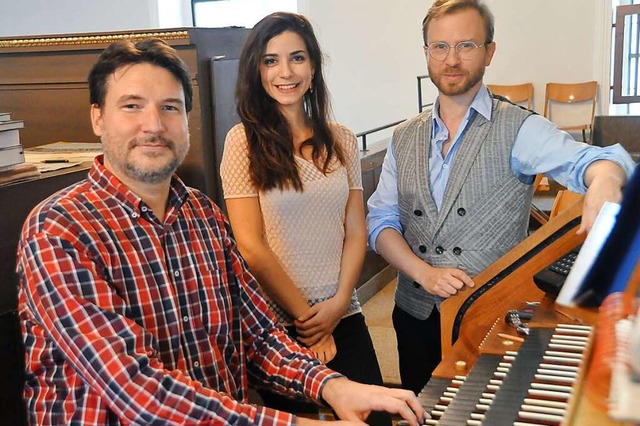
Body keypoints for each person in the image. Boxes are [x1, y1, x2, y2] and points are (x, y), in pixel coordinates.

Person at [16, 38, 427, 425]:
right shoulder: (59, 229)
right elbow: (137, 391)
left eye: (171, 107)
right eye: (132, 106)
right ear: (97, 117)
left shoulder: (203, 216)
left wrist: (334, 386)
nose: (154, 124)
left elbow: (260, 335)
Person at [366, 0, 636, 396]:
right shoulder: (404, 136)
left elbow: (601, 159)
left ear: (489, 51)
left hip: (488, 315)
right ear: (426, 53)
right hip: (414, 313)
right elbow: (381, 221)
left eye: (466, 45)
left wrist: (606, 179)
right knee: (420, 408)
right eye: (439, 47)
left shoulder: (519, 128)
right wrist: (423, 273)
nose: (451, 59)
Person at [219, 12, 389, 425]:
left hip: (342, 310)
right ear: (256, 71)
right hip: (278, 324)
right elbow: (251, 247)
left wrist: (337, 305)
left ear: (313, 66)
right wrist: (310, 322)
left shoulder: (342, 139)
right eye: (271, 60)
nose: (285, 72)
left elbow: (354, 230)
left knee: (375, 417)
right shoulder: (242, 142)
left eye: (296, 58)